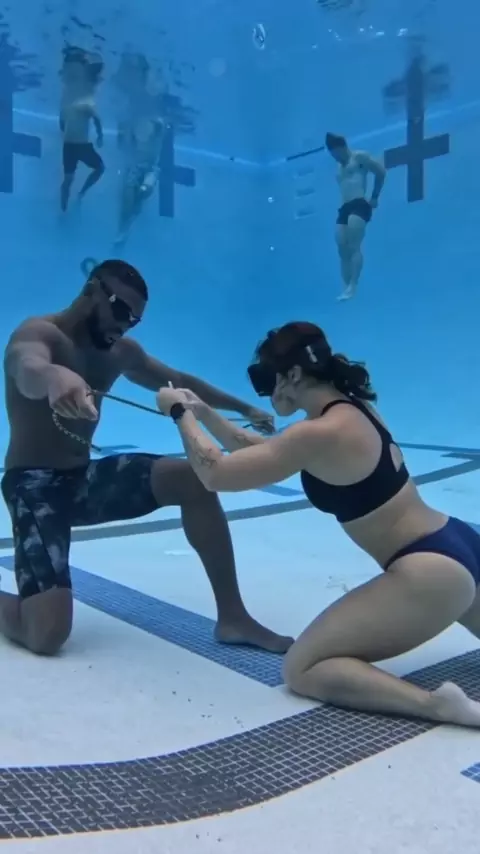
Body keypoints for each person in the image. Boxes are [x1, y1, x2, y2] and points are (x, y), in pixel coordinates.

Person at [157, 320, 480, 728]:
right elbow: (267, 450)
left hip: (430, 572)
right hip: (460, 543)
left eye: (266, 379)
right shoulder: (351, 409)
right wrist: (204, 413)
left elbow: (215, 474)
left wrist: (179, 413)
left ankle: (436, 705)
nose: (266, 392)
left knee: (302, 669)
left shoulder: (318, 432)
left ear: (292, 375)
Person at [1, 259, 292, 657]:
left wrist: (245, 408)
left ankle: (233, 618)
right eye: (121, 310)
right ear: (91, 290)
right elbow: (27, 365)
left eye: (134, 319)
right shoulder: (39, 334)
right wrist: (54, 378)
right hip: (33, 486)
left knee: (194, 478)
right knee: (45, 635)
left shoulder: (120, 352)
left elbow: (182, 383)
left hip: (82, 479)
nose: (125, 325)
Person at [325, 132, 386, 301]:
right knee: (341, 246)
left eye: (336, 154)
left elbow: (380, 172)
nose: (336, 159)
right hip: (344, 207)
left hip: (360, 203)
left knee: (354, 244)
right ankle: (346, 287)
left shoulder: (359, 157)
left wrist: (374, 196)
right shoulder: (339, 168)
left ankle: (353, 285)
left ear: (343, 147)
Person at [60, 51, 105, 212]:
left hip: (75, 145)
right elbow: (96, 119)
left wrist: (100, 135)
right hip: (76, 146)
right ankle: (66, 208)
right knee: (69, 180)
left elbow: (96, 119)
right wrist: (100, 136)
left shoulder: (81, 101)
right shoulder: (82, 101)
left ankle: (73, 201)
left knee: (70, 180)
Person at [115, 114, 165, 247]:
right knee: (128, 203)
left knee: (143, 191)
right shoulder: (143, 140)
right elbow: (129, 144)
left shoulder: (157, 139)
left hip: (149, 170)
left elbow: (159, 127)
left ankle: (128, 221)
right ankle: (123, 229)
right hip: (135, 169)